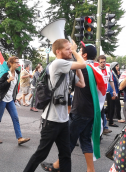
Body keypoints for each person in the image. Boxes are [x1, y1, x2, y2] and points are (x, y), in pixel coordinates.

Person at [23, 39, 86, 172]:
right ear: (58, 52)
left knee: (65, 154)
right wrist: (75, 53)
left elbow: (82, 84)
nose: (70, 51)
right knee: (41, 154)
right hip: (51, 121)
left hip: (63, 120)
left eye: (71, 49)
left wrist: (77, 67)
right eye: (67, 49)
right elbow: (82, 64)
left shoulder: (67, 69)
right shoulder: (58, 63)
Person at [41, 43, 104, 172]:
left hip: (80, 109)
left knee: (68, 140)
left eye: (80, 51)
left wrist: (72, 52)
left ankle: (57, 166)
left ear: (84, 55)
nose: (77, 52)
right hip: (92, 110)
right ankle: (90, 170)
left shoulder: (86, 67)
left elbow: (76, 72)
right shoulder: (98, 68)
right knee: (85, 140)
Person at [0, 56, 30, 145]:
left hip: (10, 100)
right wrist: (8, 80)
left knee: (15, 118)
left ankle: (20, 138)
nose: (18, 64)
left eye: (18, 62)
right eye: (16, 62)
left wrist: (15, 97)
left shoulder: (17, 72)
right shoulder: (5, 74)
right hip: (2, 99)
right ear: (11, 63)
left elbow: (14, 88)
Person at [97, 55, 116, 134]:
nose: (103, 63)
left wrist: (114, 90)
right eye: (101, 62)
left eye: (104, 61)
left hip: (104, 93)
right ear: (98, 62)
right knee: (99, 111)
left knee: (101, 111)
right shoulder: (96, 69)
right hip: (97, 94)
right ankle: (102, 128)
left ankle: (103, 128)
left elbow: (110, 80)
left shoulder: (108, 69)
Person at [106, 62, 124, 127]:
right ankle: (110, 122)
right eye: (117, 66)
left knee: (111, 107)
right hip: (112, 92)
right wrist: (113, 93)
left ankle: (109, 119)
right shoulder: (112, 73)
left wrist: (119, 75)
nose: (118, 67)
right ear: (113, 67)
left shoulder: (115, 74)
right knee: (111, 107)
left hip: (114, 92)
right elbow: (111, 84)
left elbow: (117, 82)